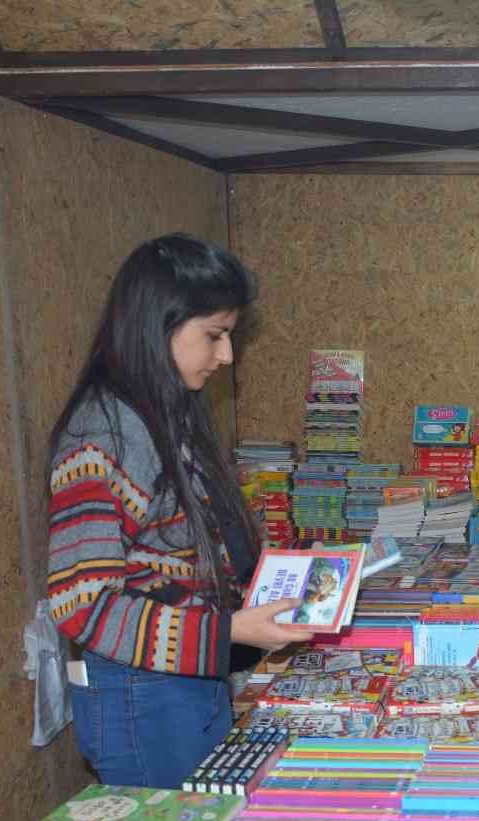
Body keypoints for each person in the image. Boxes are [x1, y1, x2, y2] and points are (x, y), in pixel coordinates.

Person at [46, 234, 313, 788]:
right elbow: (82, 603)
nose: (226, 356)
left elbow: (179, 554)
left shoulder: (165, 412)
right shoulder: (104, 432)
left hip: (186, 682)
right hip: (143, 697)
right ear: (158, 325)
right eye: (214, 335)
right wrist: (227, 632)